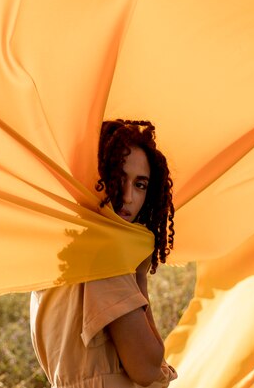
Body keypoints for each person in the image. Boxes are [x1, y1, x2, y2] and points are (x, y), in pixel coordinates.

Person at [30, 119, 178, 387]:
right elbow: (147, 366)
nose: (128, 197)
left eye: (140, 185)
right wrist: (139, 277)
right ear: (97, 179)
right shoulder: (104, 254)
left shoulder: (60, 251)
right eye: (117, 179)